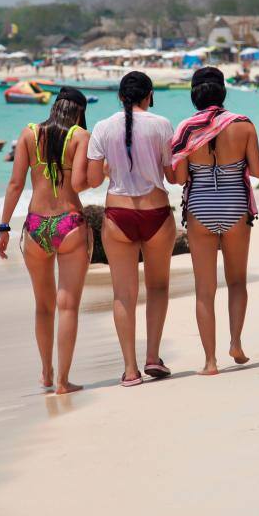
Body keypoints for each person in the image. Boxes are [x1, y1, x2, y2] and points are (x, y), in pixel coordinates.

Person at [0, 87, 92, 395]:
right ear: (78, 111)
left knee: (43, 306)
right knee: (68, 306)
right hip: (70, 223)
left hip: (35, 227)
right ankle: (63, 381)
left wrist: (4, 226)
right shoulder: (79, 137)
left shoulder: (29, 133)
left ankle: (46, 373)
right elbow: (80, 183)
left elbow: (14, 183)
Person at [84, 72, 177, 387]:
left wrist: (111, 169)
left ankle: (129, 370)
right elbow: (171, 174)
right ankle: (153, 356)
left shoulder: (102, 127)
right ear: (148, 95)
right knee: (158, 288)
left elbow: (94, 180)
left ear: (119, 96)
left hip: (118, 214)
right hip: (156, 212)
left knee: (123, 295)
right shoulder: (161, 124)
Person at [171, 67, 259, 375]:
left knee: (204, 289)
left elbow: (180, 177)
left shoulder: (185, 128)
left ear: (194, 94)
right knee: (237, 281)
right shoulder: (243, 125)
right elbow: (258, 171)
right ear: (223, 91)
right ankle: (235, 342)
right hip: (236, 206)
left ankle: (210, 362)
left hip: (200, 209)